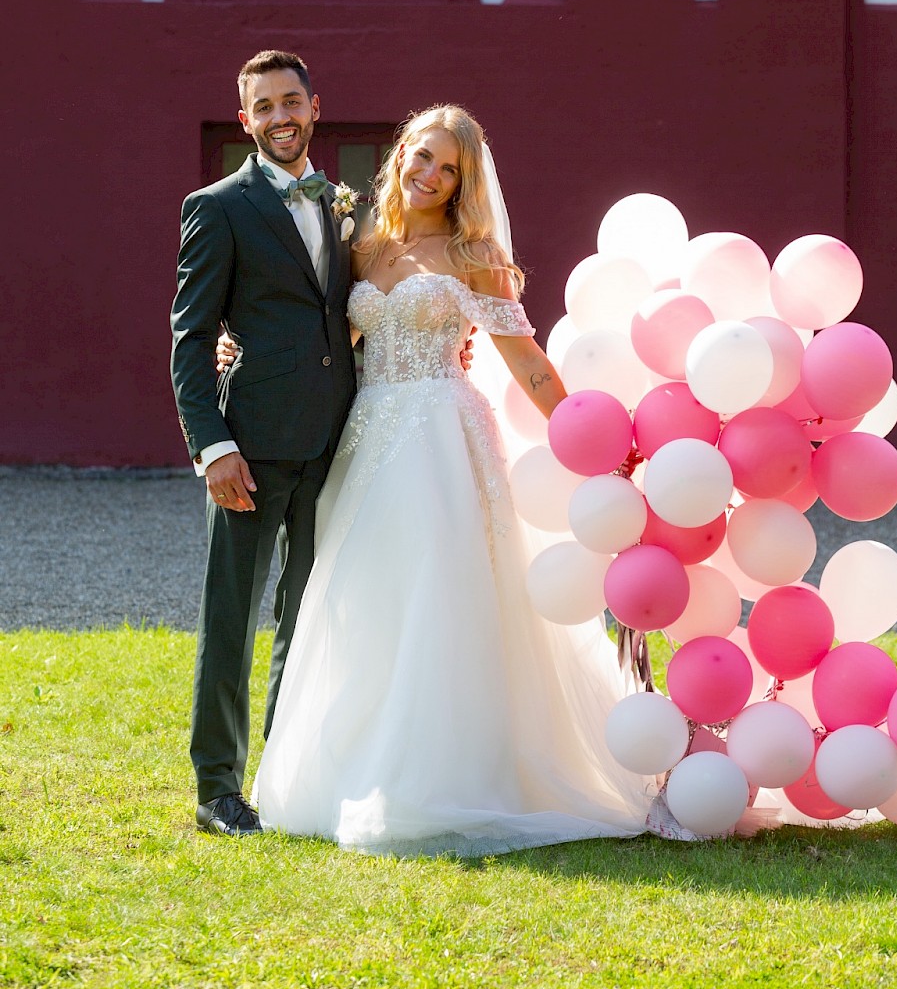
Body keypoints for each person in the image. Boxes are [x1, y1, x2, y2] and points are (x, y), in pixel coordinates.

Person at [250, 105, 668, 854]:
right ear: (399, 155)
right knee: (360, 596)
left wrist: (594, 439)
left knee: (443, 593)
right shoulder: (362, 247)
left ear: (462, 183)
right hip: (367, 438)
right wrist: (232, 349)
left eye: (447, 169)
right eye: (421, 157)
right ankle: (353, 771)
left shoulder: (475, 255)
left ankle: (448, 776)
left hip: (443, 436)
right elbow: (318, 341)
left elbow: (529, 363)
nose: (429, 176)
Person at [170, 50, 359, 838]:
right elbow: (190, 336)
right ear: (244, 120)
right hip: (250, 446)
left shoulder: (348, 206)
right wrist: (212, 449)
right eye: (264, 106)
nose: (281, 116)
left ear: (316, 106)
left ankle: (281, 771)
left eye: (293, 101)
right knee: (231, 617)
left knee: (307, 614)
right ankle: (218, 787)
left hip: (335, 444)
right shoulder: (218, 207)